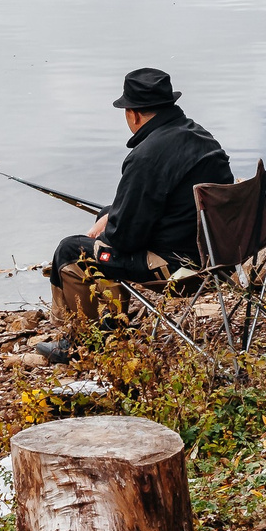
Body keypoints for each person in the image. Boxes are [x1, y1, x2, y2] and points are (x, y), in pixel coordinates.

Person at [46, 68, 233, 341]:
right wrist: (110, 215)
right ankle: (112, 320)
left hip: (179, 268)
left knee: (71, 250)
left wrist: (103, 235)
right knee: (106, 213)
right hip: (220, 253)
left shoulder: (146, 157)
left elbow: (124, 240)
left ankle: (80, 341)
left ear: (133, 113)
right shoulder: (201, 136)